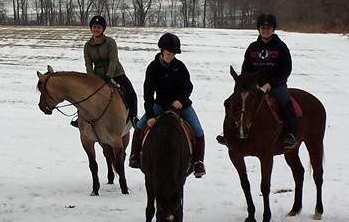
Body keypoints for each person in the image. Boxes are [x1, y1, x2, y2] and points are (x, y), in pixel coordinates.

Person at [128, 33, 206, 177]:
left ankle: (198, 162)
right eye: (169, 53)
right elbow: (148, 94)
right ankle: (135, 156)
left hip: (181, 106)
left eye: (174, 54)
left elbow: (188, 87)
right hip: (161, 105)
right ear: (162, 51)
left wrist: (181, 101)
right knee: (140, 126)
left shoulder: (180, 66)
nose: (171, 56)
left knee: (198, 130)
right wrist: (151, 115)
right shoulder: (152, 68)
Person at [216, 13, 297, 149]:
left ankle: (291, 134)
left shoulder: (280, 47)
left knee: (285, 101)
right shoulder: (252, 48)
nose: (265, 31)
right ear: (258, 29)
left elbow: (286, 69)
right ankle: (229, 133)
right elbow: (246, 69)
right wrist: (247, 83)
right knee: (230, 102)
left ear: (273, 29)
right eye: (263, 28)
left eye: (268, 28)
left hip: (275, 85)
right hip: (254, 85)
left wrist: (270, 84)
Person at [80, 15, 138, 127]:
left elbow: (113, 60)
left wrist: (109, 75)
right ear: (91, 28)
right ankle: (80, 118)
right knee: (85, 95)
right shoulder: (87, 46)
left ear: (103, 29)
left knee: (131, 93)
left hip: (116, 73)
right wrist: (91, 78)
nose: (96, 29)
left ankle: (133, 117)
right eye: (94, 27)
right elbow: (88, 63)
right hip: (98, 76)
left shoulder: (110, 42)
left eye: (99, 27)